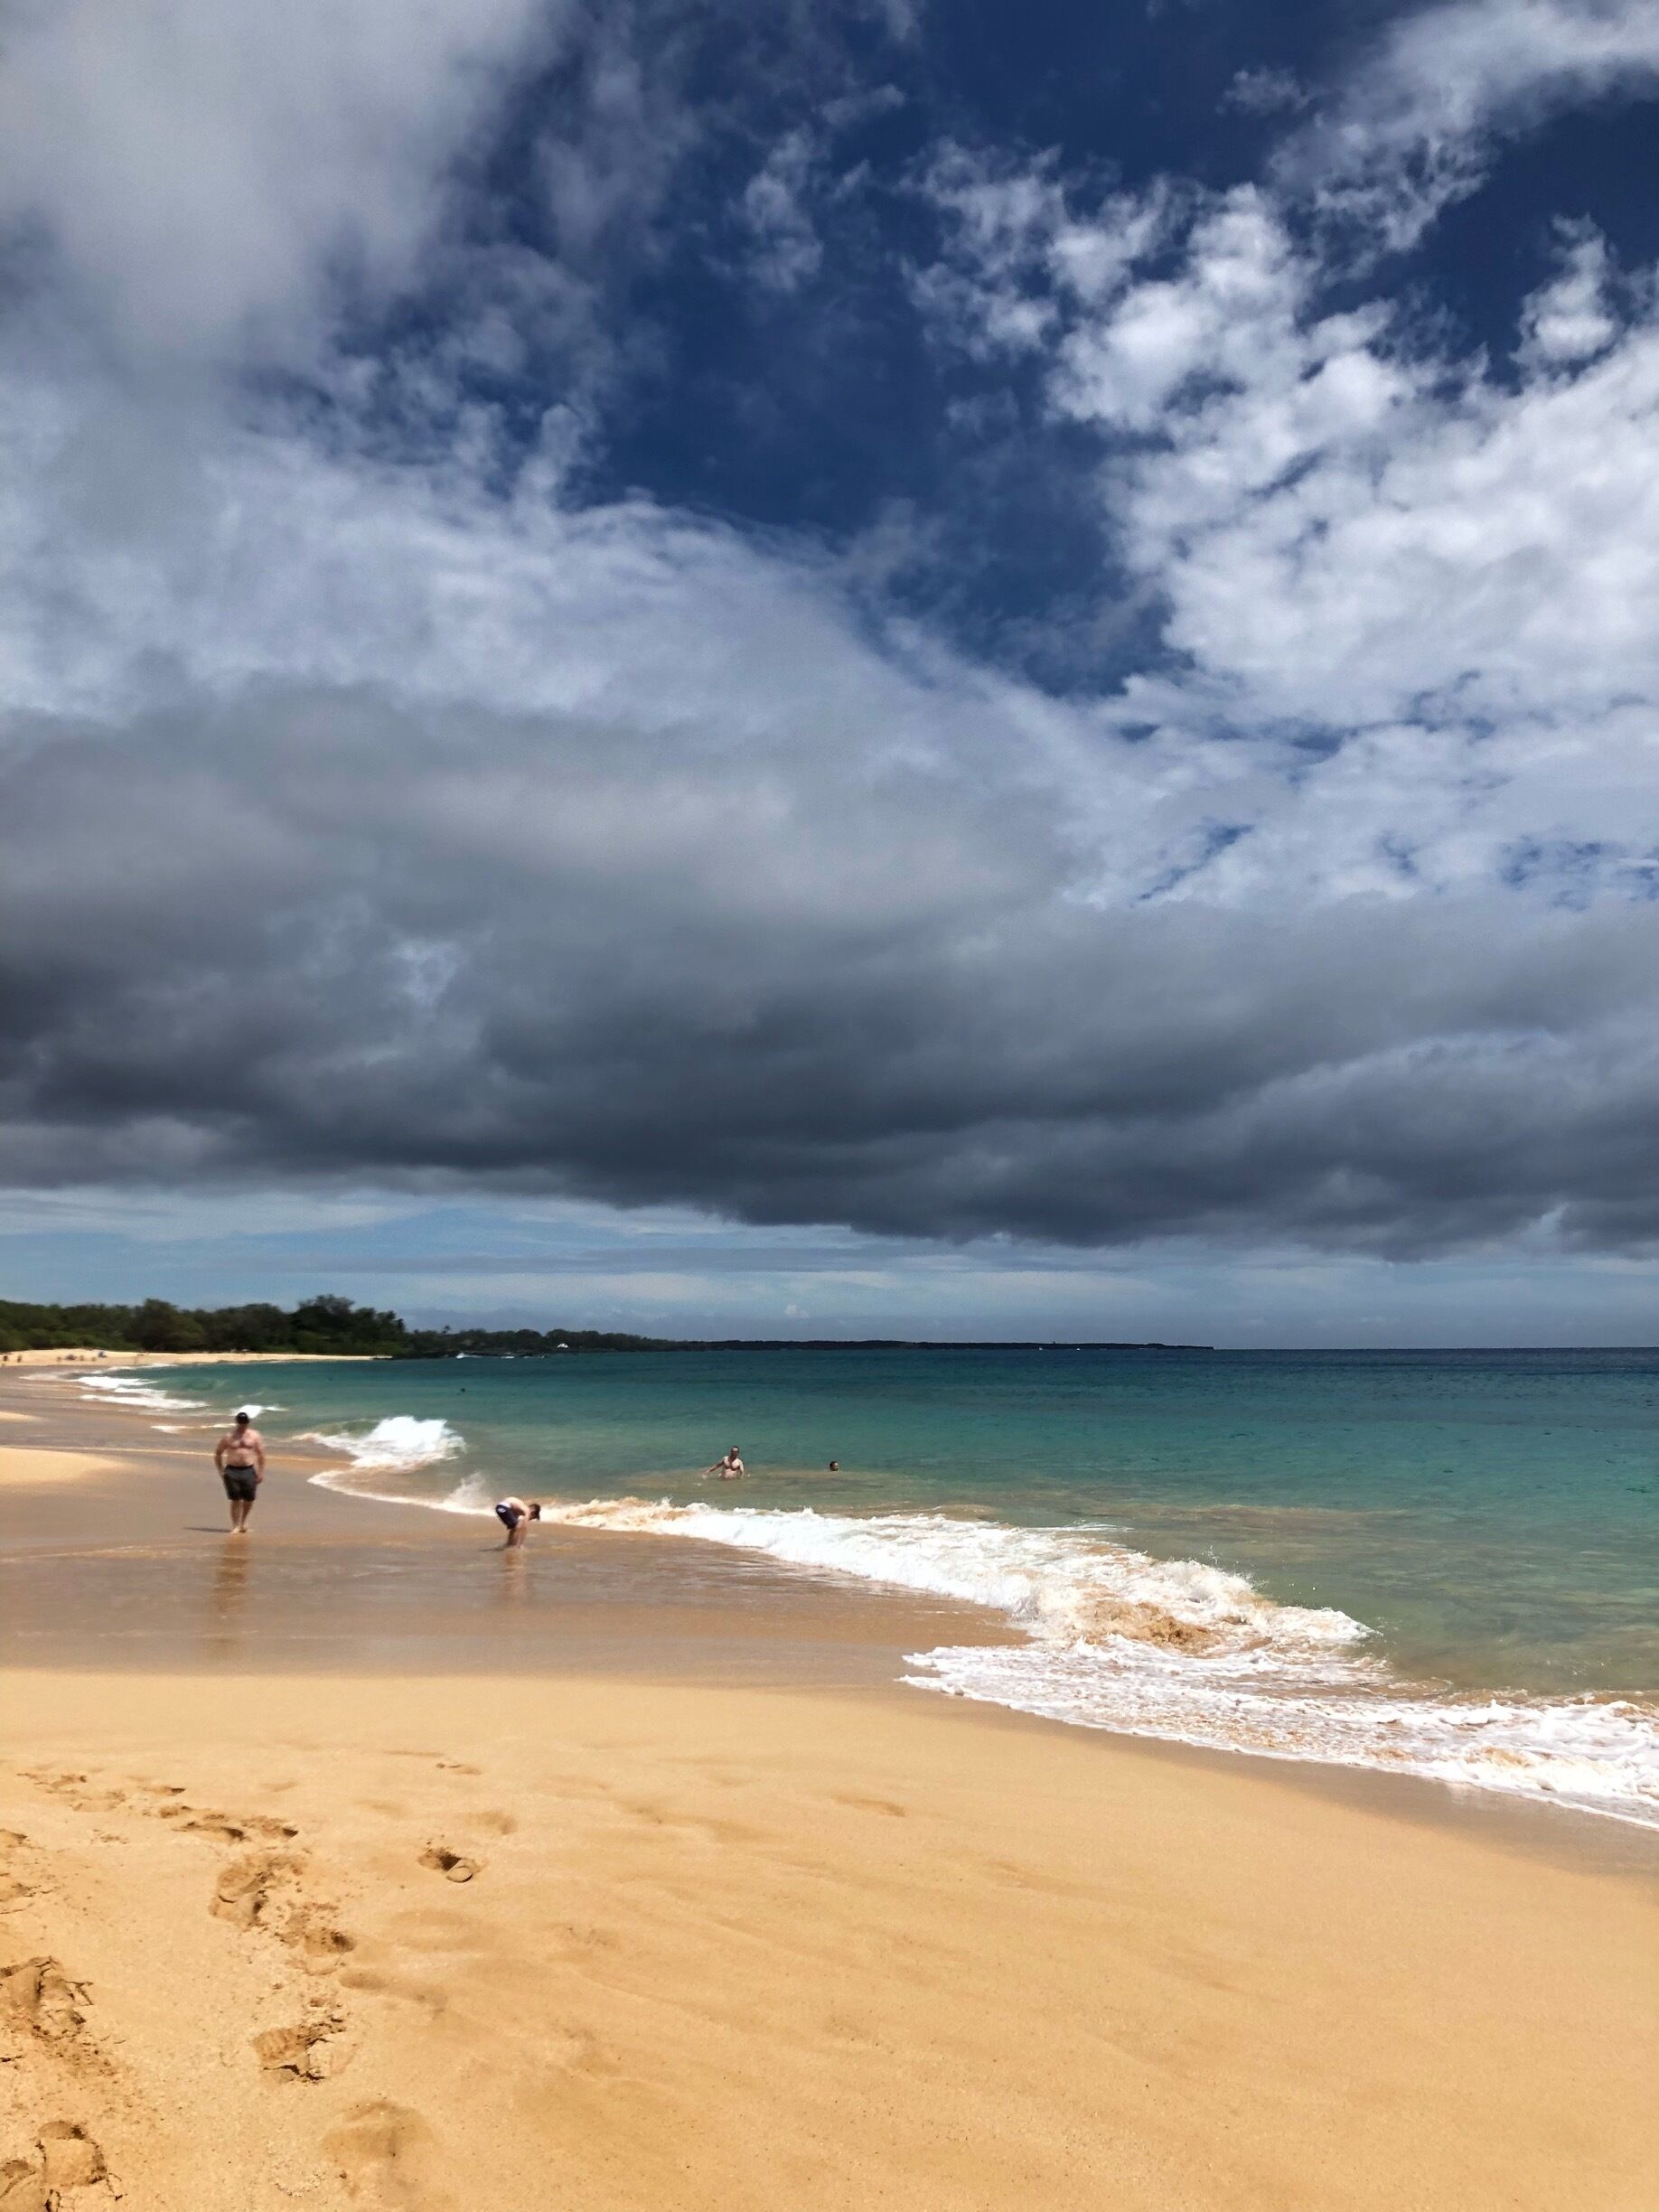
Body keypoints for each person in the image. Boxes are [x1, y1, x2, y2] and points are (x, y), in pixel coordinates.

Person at [213, 1411, 266, 1534]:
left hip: (248, 1469)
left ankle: (244, 1522)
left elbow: (261, 1455)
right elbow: (218, 1453)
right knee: (235, 1499)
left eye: (244, 1422)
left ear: (248, 1422)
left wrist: (261, 1472)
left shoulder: (254, 1436)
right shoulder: (229, 1436)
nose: (242, 1424)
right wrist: (221, 1471)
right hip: (232, 1470)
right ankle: (235, 1525)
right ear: (237, 1422)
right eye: (240, 1422)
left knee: (249, 1499)